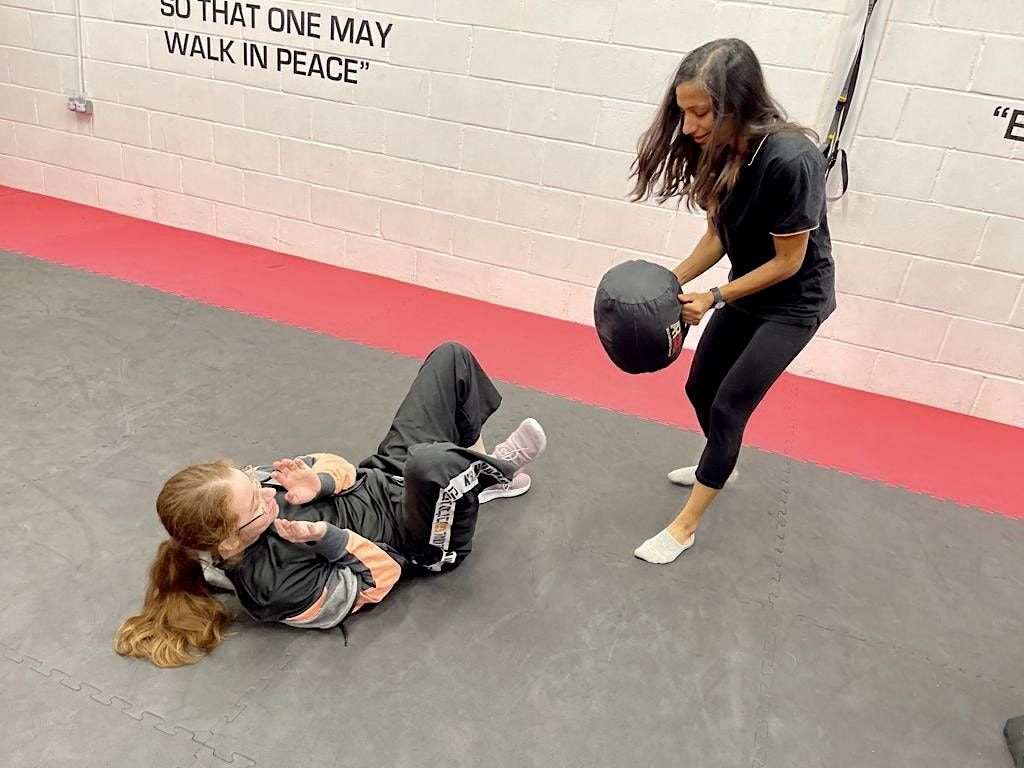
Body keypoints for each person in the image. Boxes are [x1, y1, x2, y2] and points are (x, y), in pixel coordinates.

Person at [114, 342, 547, 667]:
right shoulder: (273, 588)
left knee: (450, 360)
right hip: (417, 541)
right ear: (228, 541)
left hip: (383, 473)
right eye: (256, 501)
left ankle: (478, 475)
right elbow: (384, 577)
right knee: (429, 463)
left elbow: (347, 470)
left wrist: (317, 481)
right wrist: (331, 540)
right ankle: (483, 473)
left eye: (249, 476)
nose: (266, 490)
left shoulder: (257, 488)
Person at [628, 38, 836, 564]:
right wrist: (667, 282)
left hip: (793, 304)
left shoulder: (793, 159)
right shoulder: (721, 153)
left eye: (701, 113)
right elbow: (719, 237)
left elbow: (789, 263)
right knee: (700, 386)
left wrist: (714, 296)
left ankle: (685, 526)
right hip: (749, 287)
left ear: (736, 104)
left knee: (730, 404)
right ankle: (724, 459)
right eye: (684, 113)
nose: (690, 126)